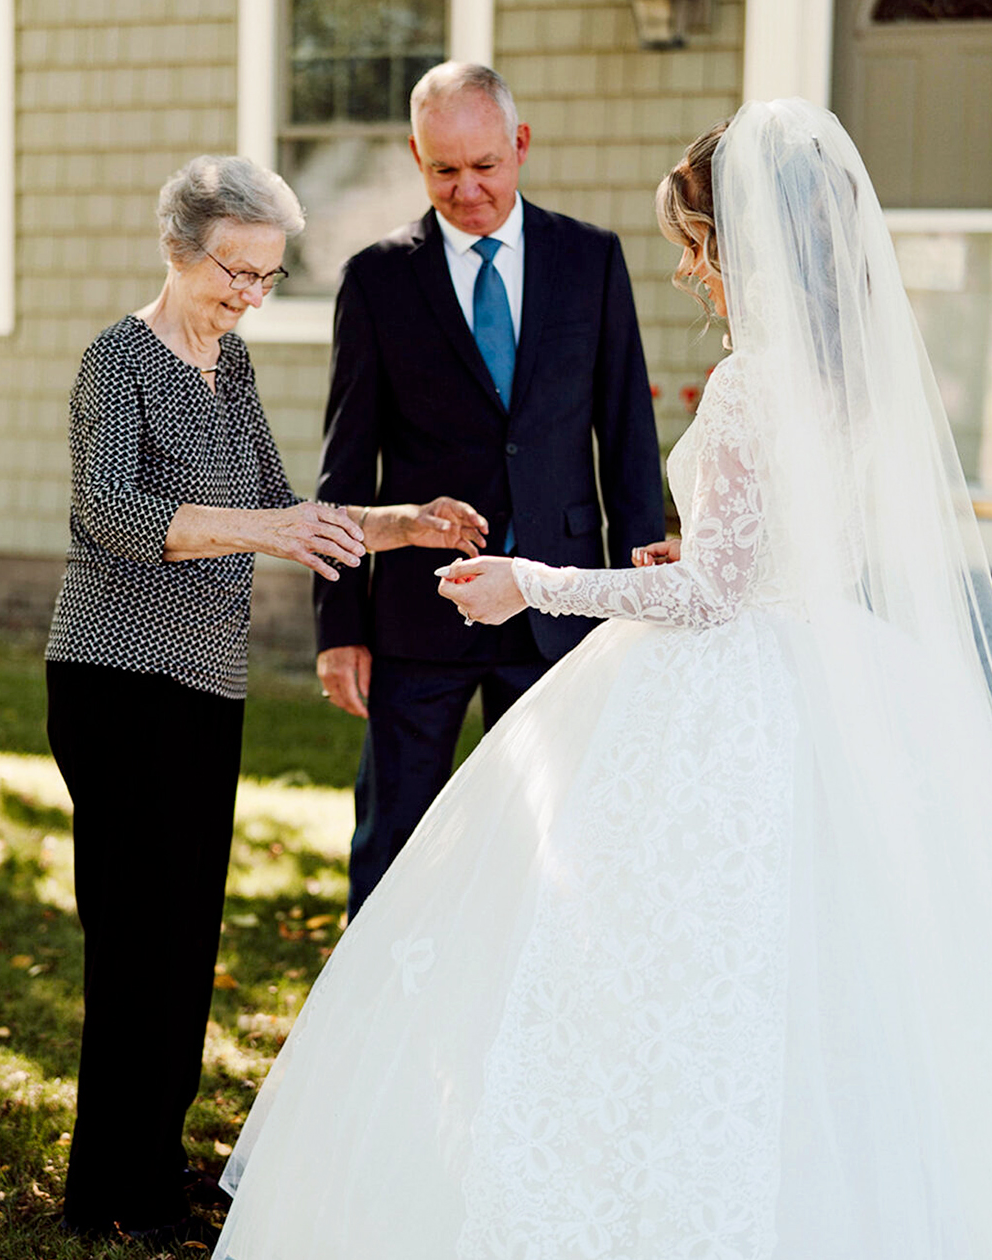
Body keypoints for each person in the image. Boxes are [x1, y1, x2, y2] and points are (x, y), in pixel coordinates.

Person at [213, 100, 992, 1260]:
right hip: (830, 666)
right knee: (818, 974)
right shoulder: (861, 376)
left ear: (743, 244)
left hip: (733, 693)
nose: (693, 269)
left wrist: (534, 581)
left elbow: (713, 598)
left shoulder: (750, 381)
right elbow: (786, 551)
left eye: (701, 245)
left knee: (653, 972)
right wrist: (715, 558)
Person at [43, 153, 488, 1245]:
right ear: (179, 250)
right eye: (233, 273)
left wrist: (402, 521)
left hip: (205, 680)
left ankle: (159, 1163)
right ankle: (107, 1194)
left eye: (266, 278)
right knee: (134, 936)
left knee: (188, 933)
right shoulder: (119, 358)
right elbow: (108, 512)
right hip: (115, 675)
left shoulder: (227, 369)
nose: (247, 295)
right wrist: (264, 530)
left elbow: (285, 508)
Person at [312, 62, 663, 918]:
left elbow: (625, 436)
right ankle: (377, 1025)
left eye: (485, 165)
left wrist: (640, 590)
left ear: (521, 145)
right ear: (416, 157)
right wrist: (340, 627)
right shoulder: (378, 279)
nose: (467, 189)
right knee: (393, 840)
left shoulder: (592, 259)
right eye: (444, 170)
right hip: (416, 617)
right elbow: (346, 468)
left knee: (558, 837)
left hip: (560, 603)